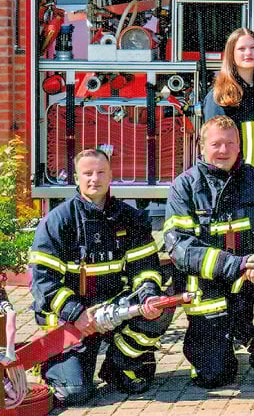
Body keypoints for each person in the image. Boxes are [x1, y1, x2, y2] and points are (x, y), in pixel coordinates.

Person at [164, 116, 254, 389]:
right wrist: (238, 264)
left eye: (230, 143)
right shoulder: (185, 187)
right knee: (214, 377)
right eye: (216, 144)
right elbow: (180, 249)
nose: (223, 150)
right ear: (201, 146)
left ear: (240, 146)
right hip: (209, 283)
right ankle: (219, 349)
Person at [29, 149, 171, 403]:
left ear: (111, 176)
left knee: (161, 306)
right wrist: (76, 314)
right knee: (74, 393)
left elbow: (146, 267)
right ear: (76, 178)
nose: (94, 179)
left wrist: (148, 294)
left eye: (100, 172)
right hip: (72, 321)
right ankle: (53, 365)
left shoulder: (128, 218)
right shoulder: (57, 222)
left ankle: (119, 366)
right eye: (88, 173)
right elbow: (44, 283)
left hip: (114, 311)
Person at [203, 28, 254, 173]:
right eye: (241, 49)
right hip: (232, 179)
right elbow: (215, 147)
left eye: (253, 48)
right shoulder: (219, 96)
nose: (248, 53)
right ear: (231, 54)